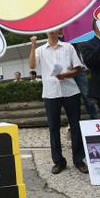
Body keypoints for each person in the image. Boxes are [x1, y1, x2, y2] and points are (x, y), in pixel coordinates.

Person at [29, 31, 88, 174]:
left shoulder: (68, 47)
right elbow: (32, 65)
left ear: (60, 31)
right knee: (53, 127)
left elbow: (78, 69)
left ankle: (78, 159)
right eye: (49, 28)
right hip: (50, 93)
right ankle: (59, 161)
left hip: (70, 90)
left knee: (75, 125)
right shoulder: (40, 50)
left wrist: (66, 75)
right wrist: (33, 46)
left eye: (55, 28)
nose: (51, 30)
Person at [58, 29, 98, 120]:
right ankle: (73, 122)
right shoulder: (54, 40)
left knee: (87, 96)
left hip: (77, 70)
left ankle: (94, 118)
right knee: (68, 99)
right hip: (64, 71)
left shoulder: (70, 35)